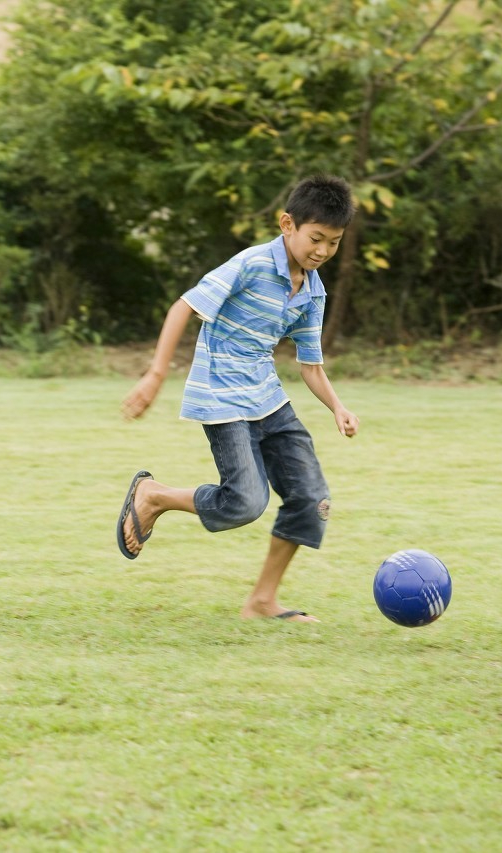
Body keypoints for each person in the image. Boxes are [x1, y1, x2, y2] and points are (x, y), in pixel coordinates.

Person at [117, 174, 360, 623]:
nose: (323, 250)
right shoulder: (250, 263)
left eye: (334, 242)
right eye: (316, 238)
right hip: (223, 395)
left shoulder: (312, 289)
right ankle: (154, 497)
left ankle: (262, 602)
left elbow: (309, 364)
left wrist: (338, 407)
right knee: (245, 503)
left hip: (267, 397)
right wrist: (155, 375)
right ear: (287, 224)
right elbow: (184, 307)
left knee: (311, 500)